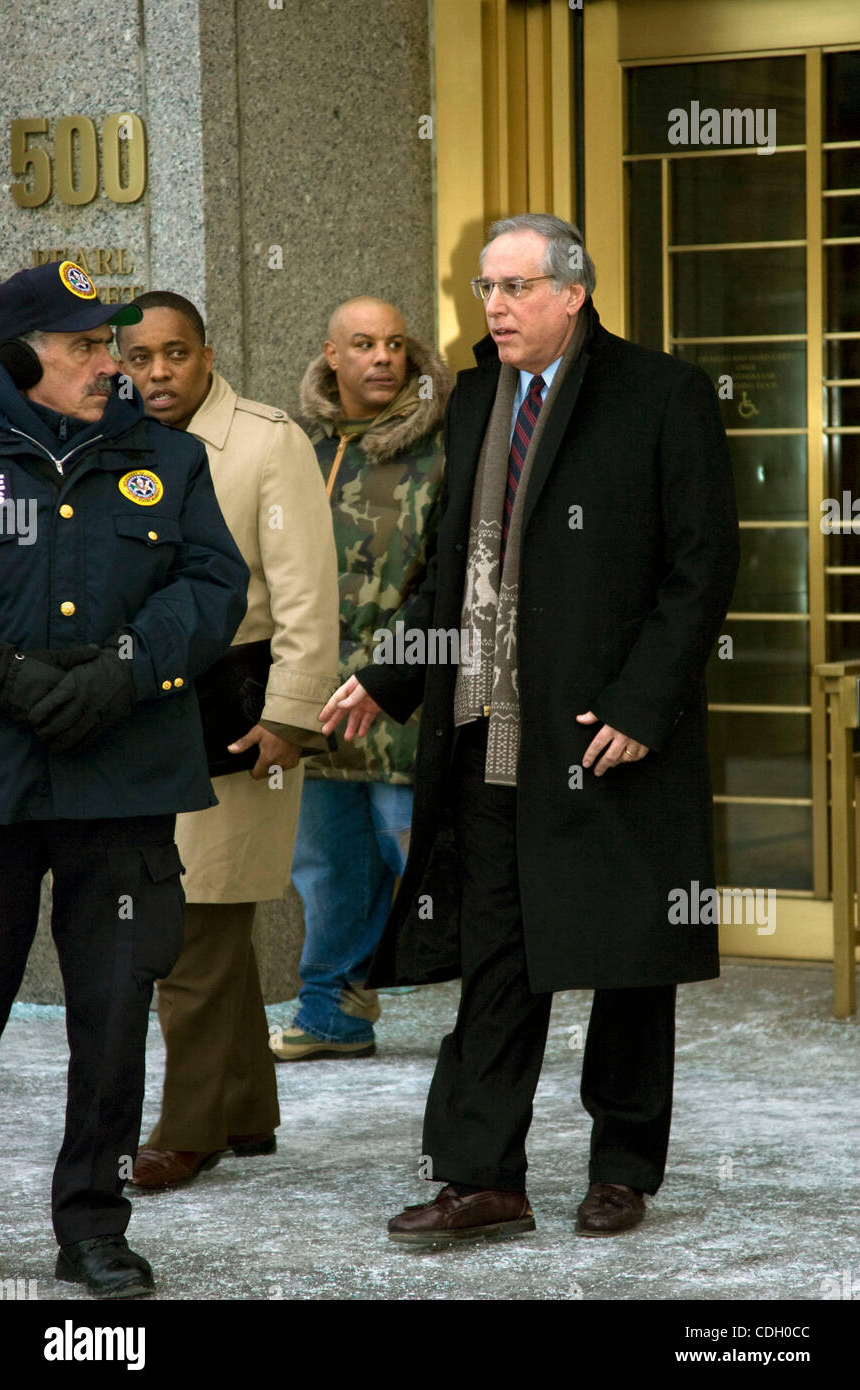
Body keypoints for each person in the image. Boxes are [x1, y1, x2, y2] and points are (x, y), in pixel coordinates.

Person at [320, 215, 740, 1242]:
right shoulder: (473, 400)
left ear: (571, 292)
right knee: (498, 957)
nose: (491, 307)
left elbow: (702, 570)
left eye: (512, 287)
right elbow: (451, 574)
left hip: (609, 736)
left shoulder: (660, 395)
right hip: (487, 736)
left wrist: (643, 707)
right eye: (483, 287)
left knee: (629, 960)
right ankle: (482, 1177)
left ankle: (621, 1168)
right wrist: (386, 675)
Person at [0, 262, 249, 1296]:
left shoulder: (169, 460)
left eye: (117, 344)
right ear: (20, 358)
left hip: (125, 783)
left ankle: (94, 1224)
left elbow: (214, 584)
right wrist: (6, 677)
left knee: (111, 1015)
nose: (114, 364)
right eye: (87, 346)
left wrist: (127, 670)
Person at [114, 291, 339, 1190]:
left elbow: (306, 589)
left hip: (237, 714)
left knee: (194, 922)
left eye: (176, 354)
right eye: (140, 357)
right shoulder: (111, 436)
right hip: (142, 712)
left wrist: (292, 712)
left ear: (208, 355)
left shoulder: (266, 439)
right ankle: (245, 1107)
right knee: (210, 915)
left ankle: (189, 1127)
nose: (158, 373)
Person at [270, 297, 448, 1060]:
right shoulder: (299, 449)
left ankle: (498, 1015)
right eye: (364, 344)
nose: (383, 358)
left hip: (403, 695)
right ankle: (331, 1013)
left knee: (422, 859)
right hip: (316, 694)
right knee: (327, 866)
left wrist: (400, 670)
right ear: (330, 355)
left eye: (396, 344)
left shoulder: (446, 445)